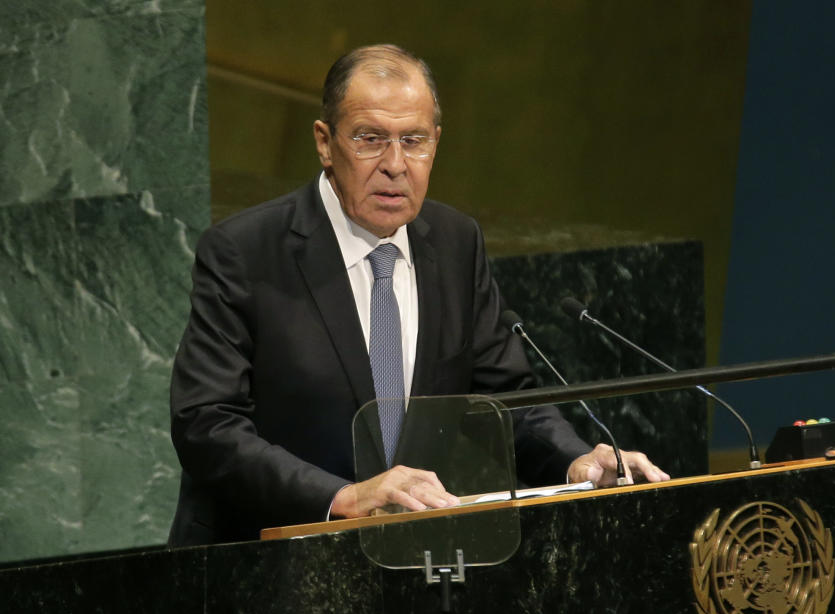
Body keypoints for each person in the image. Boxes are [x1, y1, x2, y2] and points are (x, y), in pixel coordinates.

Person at [167, 44, 668, 546]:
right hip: (265, 565)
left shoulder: (454, 242)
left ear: (436, 142)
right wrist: (342, 498)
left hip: (414, 563)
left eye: (414, 140)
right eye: (370, 139)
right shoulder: (245, 251)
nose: (395, 164)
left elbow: (505, 398)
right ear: (324, 142)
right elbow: (206, 424)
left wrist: (575, 461)